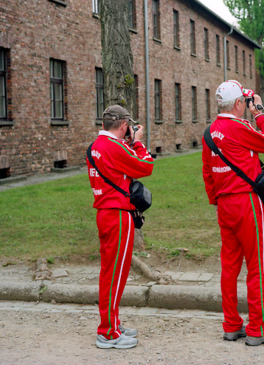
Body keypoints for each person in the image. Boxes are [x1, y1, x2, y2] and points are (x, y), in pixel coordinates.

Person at [202, 80, 264, 347]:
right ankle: (258, 327)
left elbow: (207, 172)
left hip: (224, 205)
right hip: (247, 202)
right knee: (257, 266)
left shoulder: (210, 132)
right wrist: (259, 112)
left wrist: (216, 199)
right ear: (238, 104)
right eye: (244, 103)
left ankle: (231, 325)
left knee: (229, 267)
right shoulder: (241, 126)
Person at [87, 104, 154, 349]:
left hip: (105, 212)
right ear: (124, 125)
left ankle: (112, 322)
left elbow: (116, 165)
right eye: (129, 126)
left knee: (109, 273)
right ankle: (108, 332)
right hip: (118, 215)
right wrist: (137, 142)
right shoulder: (115, 146)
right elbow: (146, 166)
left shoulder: (96, 145)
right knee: (115, 275)